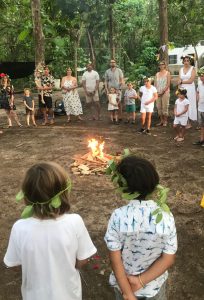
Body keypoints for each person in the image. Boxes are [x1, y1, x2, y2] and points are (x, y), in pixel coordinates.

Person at [4, 161, 97, 300]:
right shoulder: (74, 222)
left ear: (26, 195)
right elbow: (82, 260)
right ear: (64, 192)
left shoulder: (19, 228)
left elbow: (14, 264)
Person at [104, 155, 177, 300]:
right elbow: (168, 259)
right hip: (153, 287)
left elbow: (115, 260)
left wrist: (128, 293)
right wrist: (141, 280)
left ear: (122, 186)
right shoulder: (165, 216)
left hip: (124, 285)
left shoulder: (118, 217)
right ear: (154, 183)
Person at [178, 55, 197, 128]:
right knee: (183, 104)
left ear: (190, 61)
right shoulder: (181, 69)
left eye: (187, 61)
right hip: (182, 89)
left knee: (189, 104)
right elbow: (179, 80)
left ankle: (189, 122)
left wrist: (181, 82)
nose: (186, 62)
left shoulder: (193, 69)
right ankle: (184, 122)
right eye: (185, 61)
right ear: (183, 61)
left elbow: (191, 80)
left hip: (190, 89)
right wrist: (179, 90)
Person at [155, 61, 171, 126]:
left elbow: (168, 84)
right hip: (158, 93)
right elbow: (155, 84)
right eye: (160, 65)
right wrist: (156, 92)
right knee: (159, 107)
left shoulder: (168, 73)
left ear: (164, 65)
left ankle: (165, 121)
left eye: (162, 64)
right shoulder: (157, 74)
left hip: (165, 92)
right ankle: (161, 121)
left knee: (165, 107)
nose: (161, 66)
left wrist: (163, 91)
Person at [193, 68, 204, 146]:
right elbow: (197, 91)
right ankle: (201, 140)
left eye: (202, 76)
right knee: (202, 126)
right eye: (200, 76)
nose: (201, 77)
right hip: (200, 108)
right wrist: (197, 98)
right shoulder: (200, 83)